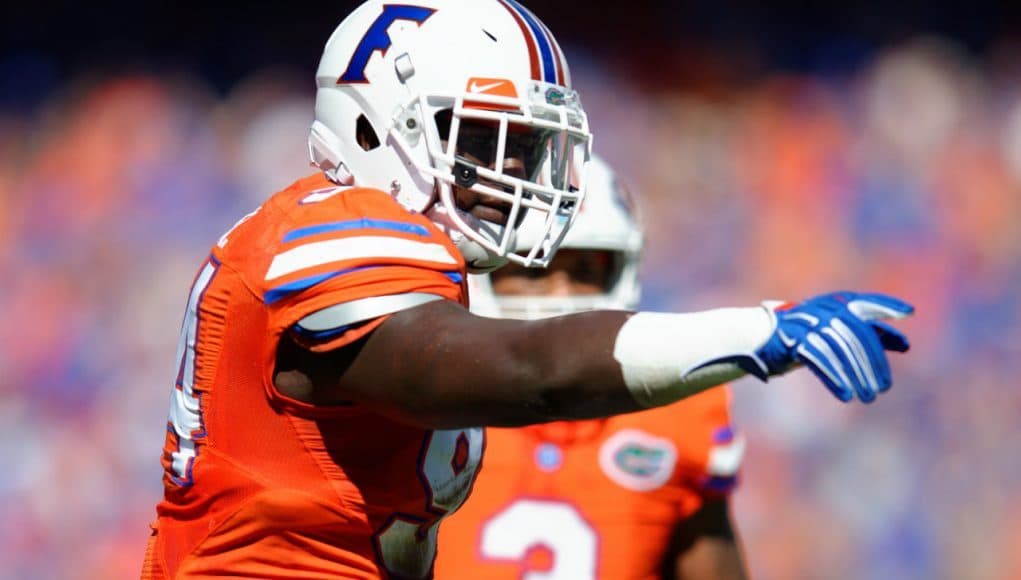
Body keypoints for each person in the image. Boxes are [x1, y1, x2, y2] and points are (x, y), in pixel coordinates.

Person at [142, 1, 913, 578]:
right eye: (479, 139)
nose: (509, 174)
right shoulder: (330, 232)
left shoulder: (403, 258)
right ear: (377, 124)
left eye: (524, 147)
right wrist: (752, 333)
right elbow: (528, 374)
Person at [435, 156, 749, 580]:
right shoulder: (428, 394)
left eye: (585, 270)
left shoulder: (678, 411)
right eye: (534, 267)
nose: (561, 293)